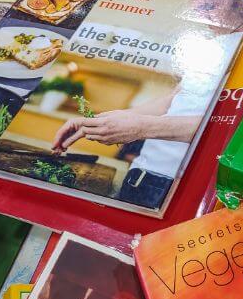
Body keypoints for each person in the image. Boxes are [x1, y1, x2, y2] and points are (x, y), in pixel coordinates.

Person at [52, 84, 202, 210]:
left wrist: (141, 127)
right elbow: (170, 102)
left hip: (178, 188)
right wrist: (96, 122)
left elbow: (216, 128)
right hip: (139, 176)